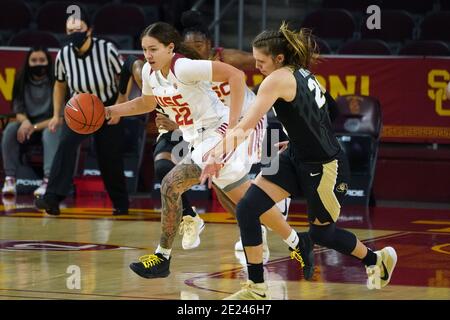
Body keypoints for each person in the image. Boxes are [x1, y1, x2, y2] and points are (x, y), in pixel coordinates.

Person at [200, 22, 398, 300]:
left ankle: (375, 259)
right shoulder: (303, 73)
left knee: (322, 235)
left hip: (325, 167)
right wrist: (297, 139)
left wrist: (218, 154)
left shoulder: (276, 79)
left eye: (260, 61)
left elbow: (246, 125)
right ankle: (256, 288)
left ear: (279, 58)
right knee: (247, 208)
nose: (256, 67)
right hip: (296, 156)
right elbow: (328, 109)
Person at [105, 22, 311, 281]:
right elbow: (147, 103)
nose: (148, 55)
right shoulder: (149, 72)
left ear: (170, 48)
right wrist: (112, 111)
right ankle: (297, 241)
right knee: (246, 202)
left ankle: (162, 257)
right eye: (144, 49)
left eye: (154, 49)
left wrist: (234, 126)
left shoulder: (184, 66)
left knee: (170, 184)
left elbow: (236, 75)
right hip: (198, 137)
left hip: (219, 129)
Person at [34, 9, 129, 216]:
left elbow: (124, 77)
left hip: (107, 108)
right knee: (65, 146)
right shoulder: (63, 54)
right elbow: (59, 85)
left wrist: (121, 107)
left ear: (89, 30)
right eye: (70, 30)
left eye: (78, 29)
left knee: (109, 156)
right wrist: (56, 114)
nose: (74, 33)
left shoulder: (106, 49)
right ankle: (52, 198)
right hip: (78, 109)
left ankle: (120, 204)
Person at [1, 46, 61, 198]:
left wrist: (33, 127)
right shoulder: (21, 79)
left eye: (42, 60)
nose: (38, 63)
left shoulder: (57, 81)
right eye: (34, 60)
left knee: (50, 132)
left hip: (50, 123)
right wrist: (26, 122)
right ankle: (10, 179)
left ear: (49, 62)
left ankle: (48, 180)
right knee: (10, 129)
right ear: (28, 62)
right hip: (28, 124)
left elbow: (60, 117)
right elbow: (18, 110)